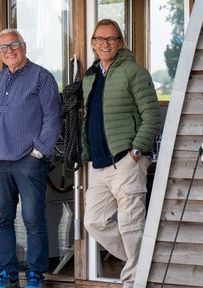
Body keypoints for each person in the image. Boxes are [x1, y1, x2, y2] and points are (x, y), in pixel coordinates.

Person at [0, 29, 62, 288]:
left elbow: (53, 119)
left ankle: (36, 275)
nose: (9, 50)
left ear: (24, 46)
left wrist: (38, 152)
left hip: (29, 160)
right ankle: (7, 274)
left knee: (33, 219)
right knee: (1, 220)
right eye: (2, 47)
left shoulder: (42, 77)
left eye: (13, 44)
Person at [81, 19, 161, 288]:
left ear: (121, 43)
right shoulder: (90, 76)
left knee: (131, 226)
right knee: (93, 222)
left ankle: (132, 282)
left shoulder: (134, 72)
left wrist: (136, 152)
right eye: (100, 39)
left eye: (111, 39)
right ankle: (143, 260)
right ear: (93, 44)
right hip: (100, 164)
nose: (105, 44)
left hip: (126, 160)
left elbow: (152, 116)